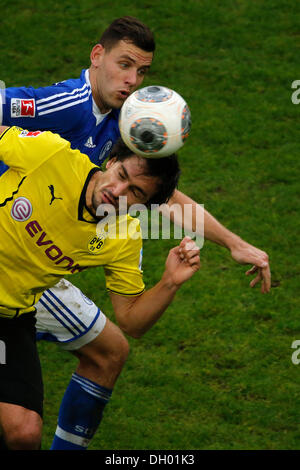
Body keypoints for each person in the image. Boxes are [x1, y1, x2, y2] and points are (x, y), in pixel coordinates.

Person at [0, 16, 271, 450]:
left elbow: (156, 192)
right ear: (96, 56)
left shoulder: (123, 127)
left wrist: (232, 244)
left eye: (141, 72)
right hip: (12, 229)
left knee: (109, 352)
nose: (132, 81)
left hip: (37, 261)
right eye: (124, 65)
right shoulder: (67, 107)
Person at [0, 124, 200, 450]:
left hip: (11, 316)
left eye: (135, 192)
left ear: (145, 206)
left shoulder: (123, 236)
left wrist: (169, 283)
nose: (118, 191)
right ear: (111, 161)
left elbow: (132, 322)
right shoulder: (51, 154)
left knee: (24, 434)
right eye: (121, 174)